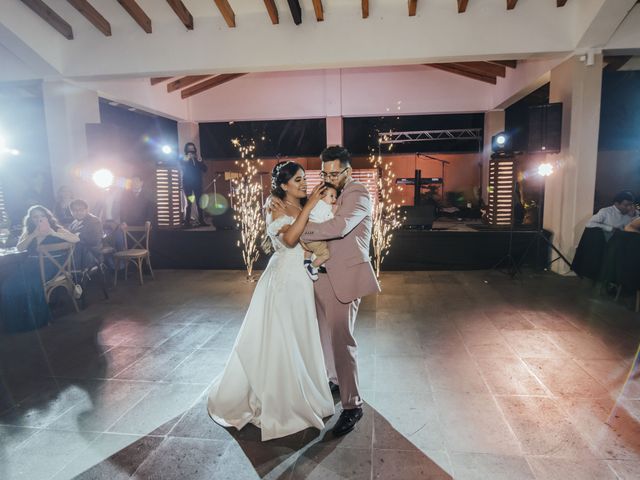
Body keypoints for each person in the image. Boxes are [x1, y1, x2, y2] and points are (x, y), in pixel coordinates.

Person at [208, 161, 334, 441]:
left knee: (301, 333)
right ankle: (280, 400)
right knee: (281, 336)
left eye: (304, 178)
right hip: (283, 279)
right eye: (298, 180)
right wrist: (310, 206)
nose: (304, 183)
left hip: (301, 278)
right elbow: (289, 240)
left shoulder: (305, 206)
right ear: (284, 185)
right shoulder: (274, 206)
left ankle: (304, 390)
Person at [272, 146, 381, 436]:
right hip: (318, 277)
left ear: (348, 170)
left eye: (336, 172)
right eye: (325, 172)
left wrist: (294, 233)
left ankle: (353, 405)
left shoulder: (358, 193)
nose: (330, 177)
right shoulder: (322, 193)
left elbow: (339, 226)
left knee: (343, 342)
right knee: (324, 338)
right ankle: (334, 381)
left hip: (344, 279)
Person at [0, 206, 79, 332]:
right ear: (30, 219)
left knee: (31, 285)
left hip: (53, 266)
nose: (39, 219)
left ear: (47, 217)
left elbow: (76, 239)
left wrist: (53, 233)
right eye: (35, 217)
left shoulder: (56, 228)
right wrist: (34, 234)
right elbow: (20, 248)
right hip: (30, 265)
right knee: (7, 286)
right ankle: (16, 322)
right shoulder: (29, 231)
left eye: (42, 216)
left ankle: (35, 321)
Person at [302, 183, 339, 281]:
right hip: (315, 236)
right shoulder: (324, 206)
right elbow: (327, 221)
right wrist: (334, 211)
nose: (334, 199)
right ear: (322, 195)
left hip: (308, 235)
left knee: (310, 248)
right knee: (325, 254)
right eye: (331, 196)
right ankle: (311, 266)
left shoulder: (315, 204)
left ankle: (306, 260)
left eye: (335, 197)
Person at [69, 199, 103, 270]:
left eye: (81, 210)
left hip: (91, 254)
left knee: (77, 246)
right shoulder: (73, 223)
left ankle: (76, 276)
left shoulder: (94, 221)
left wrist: (78, 236)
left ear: (87, 210)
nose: (78, 212)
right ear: (71, 212)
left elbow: (95, 241)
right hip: (75, 254)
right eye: (75, 210)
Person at [180, 143, 207, 227]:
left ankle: (201, 221)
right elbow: (182, 166)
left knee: (199, 202)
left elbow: (205, 169)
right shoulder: (183, 159)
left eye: (192, 149)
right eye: (189, 149)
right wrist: (187, 159)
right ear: (186, 150)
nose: (191, 151)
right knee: (189, 202)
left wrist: (200, 161)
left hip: (197, 184)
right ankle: (187, 222)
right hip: (188, 184)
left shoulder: (198, 159)